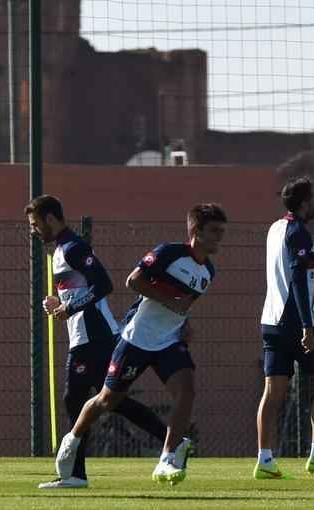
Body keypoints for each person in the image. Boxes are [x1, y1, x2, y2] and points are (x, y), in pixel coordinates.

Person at [49, 203, 226, 488]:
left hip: (168, 342)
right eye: (214, 231)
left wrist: (184, 323)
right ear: (195, 231)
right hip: (137, 339)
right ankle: (73, 438)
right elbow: (134, 281)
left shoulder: (209, 271)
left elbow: (184, 304)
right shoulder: (167, 253)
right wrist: (169, 302)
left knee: (187, 390)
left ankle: (167, 457)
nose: (220, 237)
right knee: (108, 400)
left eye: (222, 232)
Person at [29, 195, 172, 489]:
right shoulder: (60, 250)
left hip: (94, 338)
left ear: (51, 220)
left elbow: (103, 284)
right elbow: (81, 290)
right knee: (113, 401)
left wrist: (70, 307)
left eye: (35, 224)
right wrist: (60, 302)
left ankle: (75, 475)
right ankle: (174, 440)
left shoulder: (74, 247)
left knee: (77, 399)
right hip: (86, 338)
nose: (33, 230)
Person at [255, 177, 314, 479]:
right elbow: (297, 279)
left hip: (269, 321)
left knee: (274, 391)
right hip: (293, 322)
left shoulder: (274, 228)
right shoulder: (300, 233)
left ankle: (265, 461)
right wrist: (307, 325)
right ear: (304, 203)